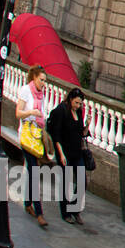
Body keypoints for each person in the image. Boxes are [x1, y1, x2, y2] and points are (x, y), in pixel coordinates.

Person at [15, 65, 50, 228]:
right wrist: (31, 113)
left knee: (32, 169)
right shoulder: (25, 91)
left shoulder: (41, 94)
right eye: (41, 80)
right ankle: (39, 213)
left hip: (36, 137)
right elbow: (18, 113)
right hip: (26, 136)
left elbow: (42, 113)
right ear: (34, 78)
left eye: (45, 80)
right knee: (34, 171)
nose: (43, 83)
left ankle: (28, 203)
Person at [49, 88, 90, 225]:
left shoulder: (78, 111)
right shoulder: (61, 111)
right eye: (76, 103)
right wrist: (61, 154)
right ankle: (65, 212)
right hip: (65, 152)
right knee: (66, 183)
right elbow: (56, 135)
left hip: (77, 152)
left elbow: (81, 133)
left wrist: (87, 126)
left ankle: (75, 208)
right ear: (70, 99)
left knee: (82, 181)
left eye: (80, 104)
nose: (78, 106)